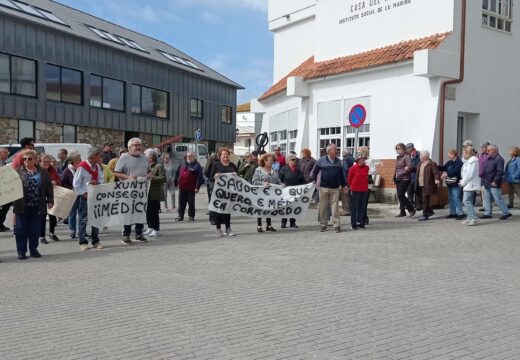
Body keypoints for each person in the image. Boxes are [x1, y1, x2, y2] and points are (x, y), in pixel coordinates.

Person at [13, 149, 54, 259]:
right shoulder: (17, 171)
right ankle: (21, 251)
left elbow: (49, 188)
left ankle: (33, 249)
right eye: (24, 159)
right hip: (22, 206)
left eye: (29, 159)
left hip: (37, 206)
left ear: (35, 160)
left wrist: (50, 200)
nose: (26, 161)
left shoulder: (43, 173)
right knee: (21, 230)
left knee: (34, 230)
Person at [114, 138, 152, 244]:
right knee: (128, 212)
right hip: (128, 191)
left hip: (142, 191)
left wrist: (149, 175)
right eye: (136, 145)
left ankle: (139, 234)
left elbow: (149, 172)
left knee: (140, 211)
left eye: (139, 145)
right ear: (129, 147)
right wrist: (128, 177)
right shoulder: (123, 158)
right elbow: (116, 173)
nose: (138, 147)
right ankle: (126, 235)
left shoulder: (144, 158)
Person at [73, 148, 104, 251]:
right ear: (93, 156)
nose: (100, 158)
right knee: (83, 219)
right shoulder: (82, 167)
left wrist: (98, 182)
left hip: (95, 196)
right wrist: (83, 193)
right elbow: (76, 184)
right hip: (85, 197)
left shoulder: (97, 167)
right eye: (98, 156)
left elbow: (102, 179)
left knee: (96, 218)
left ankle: (95, 240)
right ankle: (82, 241)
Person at [311, 143, 346, 233]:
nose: (337, 151)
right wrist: (314, 181)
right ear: (329, 151)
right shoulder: (321, 160)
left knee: (335, 207)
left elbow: (341, 175)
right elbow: (314, 172)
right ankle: (323, 224)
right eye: (335, 149)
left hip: (335, 188)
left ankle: (336, 225)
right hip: (323, 188)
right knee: (323, 207)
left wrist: (344, 185)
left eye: (337, 149)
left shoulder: (338, 161)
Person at [209, 148, 238, 236]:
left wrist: (236, 175)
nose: (225, 156)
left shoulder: (232, 165)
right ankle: (218, 229)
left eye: (227, 154)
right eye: (223, 154)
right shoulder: (216, 165)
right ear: (220, 156)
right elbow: (210, 177)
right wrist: (215, 176)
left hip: (229, 192)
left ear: (229, 155)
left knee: (227, 210)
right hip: (219, 192)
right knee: (219, 210)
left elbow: (238, 177)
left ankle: (228, 228)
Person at [481, 144, 512, 220]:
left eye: (488, 150)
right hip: (486, 182)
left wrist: (495, 181)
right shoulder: (488, 158)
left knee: (498, 198)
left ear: (494, 150)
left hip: (493, 182)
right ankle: (487, 214)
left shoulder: (499, 159)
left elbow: (500, 171)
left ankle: (506, 213)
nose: (487, 152)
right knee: (487, 198)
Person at [252, 153, 282, 232]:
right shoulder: (258, 170)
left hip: (271, 194)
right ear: (265, 161)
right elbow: (254, 181)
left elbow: (278, 181)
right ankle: (259, 225)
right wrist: (263, 184)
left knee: (269, 208)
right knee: (261, 209)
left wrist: (282, 184)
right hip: (261, 193)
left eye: (273, 160)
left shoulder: (274, 170)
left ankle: (269, 225)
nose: (272, 161)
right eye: (270, 160)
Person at [37, 153, 61, 244]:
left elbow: (59, 180)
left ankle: (51, 233)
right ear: (39, 162)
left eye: (48, 161)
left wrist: (55, 182)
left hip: (52, 195)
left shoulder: (52, 170)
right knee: (42, 217)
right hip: (41, 196)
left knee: (53, 216)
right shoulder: (37, 171)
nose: (47, 163)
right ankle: (41, 236)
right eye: (45, 161)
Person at [174, 151, 204, 222]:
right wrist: (176, 183)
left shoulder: (197, 165)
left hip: (191, 188)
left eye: (191, 156)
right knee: (181, 202)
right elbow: (177, 173)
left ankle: (191, 216)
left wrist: (197, 187)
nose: (189, 157)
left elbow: (200, 177)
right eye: (188, 156)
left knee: (191, 203)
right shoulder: (182, 164)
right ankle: (180, 216)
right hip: (182, 187)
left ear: (194, 157)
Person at [278, 154, 305, 229]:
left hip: (295, 192)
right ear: (288, 161)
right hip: (286, 192)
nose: (295, 161)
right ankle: (283, 222)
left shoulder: (298, 170)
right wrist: (281, 185)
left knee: (294, 207)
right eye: (293, 159)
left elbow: (302, 181)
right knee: (286, 207)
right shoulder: (283, 169)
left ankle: (292, 222)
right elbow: (280, 179)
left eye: (295, 159)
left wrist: (308, 185)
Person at [144, 149, 166, 237]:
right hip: (146, 193)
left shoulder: (158, 166)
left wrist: (151, 177)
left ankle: (156, 229)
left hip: (155, 193)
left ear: (151, 157)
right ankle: (150, 227)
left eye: (146, 156)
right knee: (148, 212)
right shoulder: (146, 166)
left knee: (154, 212)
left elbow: (163, 178)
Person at [61, 151, 82, 239]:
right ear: (74, 160)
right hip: (72, 194)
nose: (80, 160)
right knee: (72, 213)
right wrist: (70, 188)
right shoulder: (67, 170)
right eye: (78, 158)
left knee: (82, 213)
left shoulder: (81, 168)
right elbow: (63, 182)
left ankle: (82, 230)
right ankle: (72, 230)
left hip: (81, 193)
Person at [415, 150, 440, 221]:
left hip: (427, 184)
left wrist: (436, 179)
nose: (420, 157)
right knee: (420, 199)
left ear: (425, 156)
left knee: (425, 200)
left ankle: (425, 215)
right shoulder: (420, 163)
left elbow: (436, 173)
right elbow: (416, 170)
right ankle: (430, 211)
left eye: (421, 155)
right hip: (419, 184)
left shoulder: (432, 163)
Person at [439, 149, 465, 220]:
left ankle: (460, 213)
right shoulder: (450, 162)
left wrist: (446, 174)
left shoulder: (459, 162)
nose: (448, 156)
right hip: (450, 183)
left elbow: (456, 172)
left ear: (453, 155)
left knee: (456, 198)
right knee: (451, 199)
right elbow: (444, 168)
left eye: (449, 155)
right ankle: (453, 213)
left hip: (456, 184)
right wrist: (436, 166)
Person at [459, 146, 480, 226]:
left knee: (466, 201)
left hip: (470, 184)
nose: (463, 155)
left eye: (464, 153)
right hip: (468, 184)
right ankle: (470, 217)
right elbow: (465, 174)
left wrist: (462, 183)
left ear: (467, 153)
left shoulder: (473, 161)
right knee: (469, 202)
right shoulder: (468, 161)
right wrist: (462, 181)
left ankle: (473, 218)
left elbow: (469, 175)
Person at [348, 152, 370, 230]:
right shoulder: (353, 168)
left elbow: (366, 177)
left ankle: (360, 222)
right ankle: (353, 223)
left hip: (364, 189)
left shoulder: (366, 168)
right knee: (354, 207)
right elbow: (349, 179)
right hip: (355, 189)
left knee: (362, 207)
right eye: (361, 159)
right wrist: (351, 187)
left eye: (364, 159)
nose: (363, 160)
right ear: (357, 160)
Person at [393, 143, 416, 218]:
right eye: (396, 148)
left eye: (398, 148)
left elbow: (409, 167)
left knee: (400, 194)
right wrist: (394, 177)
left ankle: (411, 209)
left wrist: (402, 173)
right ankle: (402, 212)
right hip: (398, 179)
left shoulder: (407, 156)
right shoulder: (399, 157)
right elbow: (396, 169)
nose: (397, 150)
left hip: (405, 178)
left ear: (403, 148)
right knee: (400, 196)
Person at [405, 143, 422, 211]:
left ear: (412, 148)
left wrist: (412, 168)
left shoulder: (418, 154)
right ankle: (410, 205)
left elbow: (420, 164)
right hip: (408, 176)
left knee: (417, 191)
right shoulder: (407, 155)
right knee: (409, 191)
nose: (407, 150)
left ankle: (418, 206)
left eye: (408, 148)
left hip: (416, 176)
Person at [340, 149, 355, 216]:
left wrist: (344, 182)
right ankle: (351, 210)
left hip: (346, 180)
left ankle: (346, 210)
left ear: (344, 153)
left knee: (345, 196)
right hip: (352, 179)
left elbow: (345, 169)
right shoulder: (353, 158)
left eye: (342, 153)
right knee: (351, 196)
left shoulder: (345, 159)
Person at [0, 147, 11, 232]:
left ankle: (0, 223)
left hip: (4, 189)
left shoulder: (3, 163)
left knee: (6, 206)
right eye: (6, 153)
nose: (8, 154)